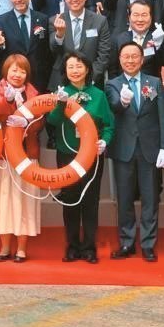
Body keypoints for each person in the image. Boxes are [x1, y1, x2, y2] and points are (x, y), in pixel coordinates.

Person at [105, 40, 164, 261]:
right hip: (123, 148)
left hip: (149, 149)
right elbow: (114, 106)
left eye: (135, 56)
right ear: (120, 59)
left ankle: (148, 244)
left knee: (150, 198)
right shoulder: (112, 84)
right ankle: (127, 242)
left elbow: (163, 116)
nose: (130, 60)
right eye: (126, 56)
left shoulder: (154, 82)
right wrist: (123, 102)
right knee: (124, 199)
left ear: (142, 60)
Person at [48, 52, 113, 263]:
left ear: (87, 69)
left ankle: (89, 247)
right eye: (70, 67)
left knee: (90, 200)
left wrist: (105, 141)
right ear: (65, 71)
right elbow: (53, 121)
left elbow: (108, 125)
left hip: (92, 154)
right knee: (70, 199)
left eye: (79, 66)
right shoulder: (61, 93)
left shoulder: (98, 94)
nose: (75, 71)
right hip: (67, 153)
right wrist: (60, 104)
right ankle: (72, 246)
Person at [0, 54, 43, 262]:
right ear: (6, 72)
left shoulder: (34, 94)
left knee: (23, 201)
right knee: (2, 200)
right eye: (14, 70)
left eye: (22, 71)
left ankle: (22, 249)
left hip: (26, 155)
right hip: (1, 155)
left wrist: (27, 123)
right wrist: (9, 100)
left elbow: (39, 123)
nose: (17, 74)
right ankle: (4, 247)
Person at [48, 0, 112, 88]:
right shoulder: (56, 20)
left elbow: (104, 54)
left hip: (91, 81)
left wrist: (89, 78)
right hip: (62, 81)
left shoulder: (100, 21)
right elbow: (53, 50)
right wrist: (59, 34)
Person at [0, 0, 51, 88]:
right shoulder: (1, 21)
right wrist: (0, 45)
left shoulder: (43, 19)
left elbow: (47, 51)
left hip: (39, 79)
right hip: (14, 79)